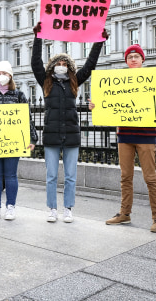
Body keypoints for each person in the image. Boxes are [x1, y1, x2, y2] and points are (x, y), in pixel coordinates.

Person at [31, 22, 108, 223]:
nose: (62, 66)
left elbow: (90, 65)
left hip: (72, 134)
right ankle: (52, 209)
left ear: (70, 67)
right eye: (59, 63)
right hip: (51, 135)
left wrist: (99, 41)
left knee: (71, 176)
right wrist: (38, 36)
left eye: (65, 64)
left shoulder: (75, 81)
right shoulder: (46, 81)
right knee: (51, 176)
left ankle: (68, 208)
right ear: (53, 66)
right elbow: (35, 64)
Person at [89, 44, 156, 233]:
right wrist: (96, 106)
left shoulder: (152, 80)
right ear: (126, 61)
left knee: (150, 177)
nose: (133, 59)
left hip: (147, 135)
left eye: (136, 56)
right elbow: (108, 103)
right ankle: (124, 213)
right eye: (130, 57)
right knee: (125, 177)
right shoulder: (118, 80)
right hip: (124, 134)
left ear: (142, 60)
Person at [0, 61, 37, 220]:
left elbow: (27, 118)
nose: (1, 77)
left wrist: (32, 138)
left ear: (10, 76)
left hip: (14, 142)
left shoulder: (19, 95)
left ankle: (10, 206)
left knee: (11, 175)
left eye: (4, 74)